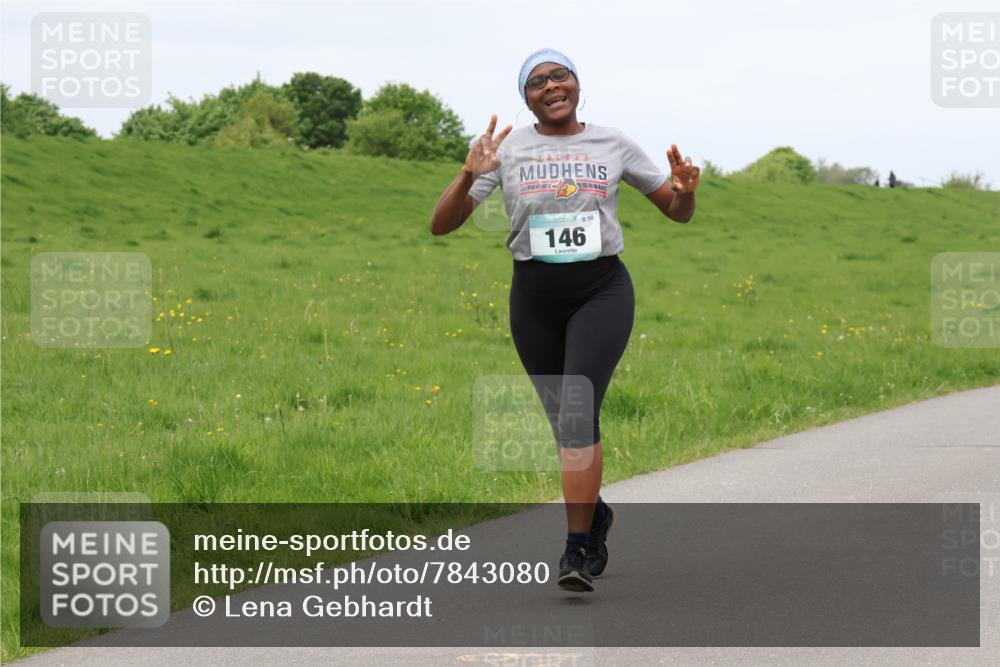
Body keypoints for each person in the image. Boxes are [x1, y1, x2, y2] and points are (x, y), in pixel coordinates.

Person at [429, 48, 700, 592]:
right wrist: (466, 174)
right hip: (534, 295)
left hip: (600, 288)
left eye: (560, 76)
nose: (550, 87)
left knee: (576, 415)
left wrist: (686, 191)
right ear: (525, 97)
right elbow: (441, 225)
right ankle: (594, 513)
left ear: (577, 85)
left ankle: (577, 549)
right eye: (536, 82)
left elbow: (674, 210)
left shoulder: (612, 142)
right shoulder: (507, 150)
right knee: (565, 425)